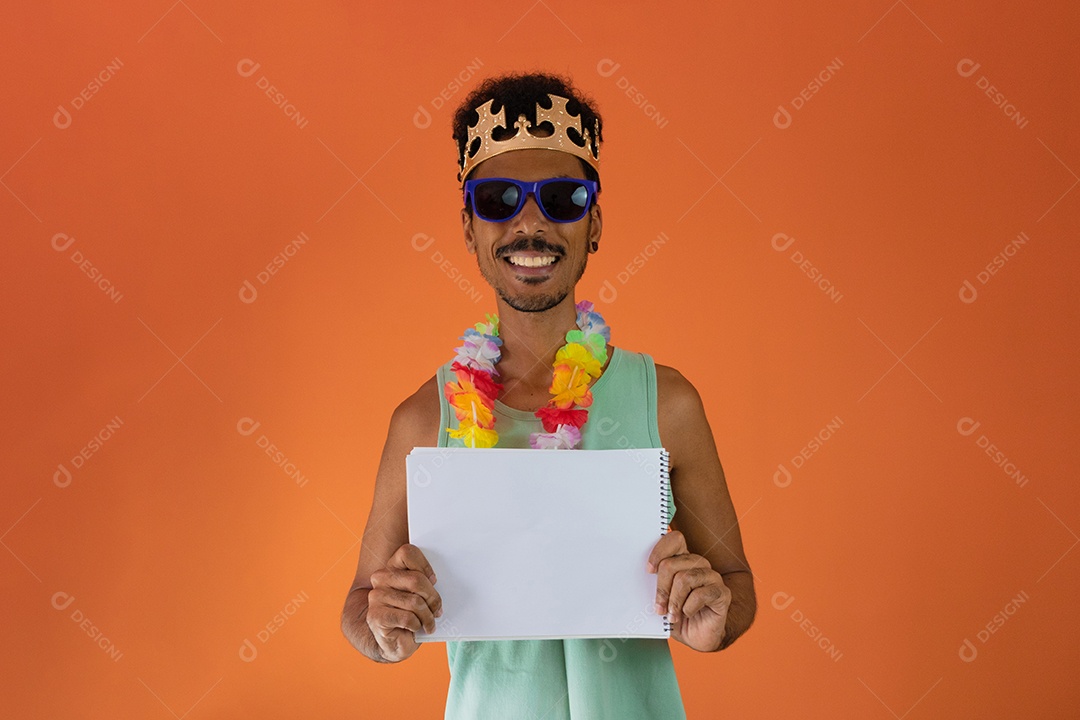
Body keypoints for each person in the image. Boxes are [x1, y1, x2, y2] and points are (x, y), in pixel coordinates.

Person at [341, 71, 756, 719]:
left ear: (593, 224)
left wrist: (709, 621)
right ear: (469, 229)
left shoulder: (667, 402)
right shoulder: (424, 418)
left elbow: (735, 585)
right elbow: (360, 606)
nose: (530, 223)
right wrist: (385, 629)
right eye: (499, 199)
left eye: (562, 198)